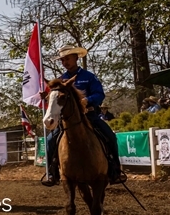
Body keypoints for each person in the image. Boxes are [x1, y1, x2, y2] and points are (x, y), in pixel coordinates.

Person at [43, 45, 125, 186]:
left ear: (76, 57)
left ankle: (115, 170)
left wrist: (88, 100)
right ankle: (52, 173)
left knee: (110, 136)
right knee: (50, 141)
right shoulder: (60, 80)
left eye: (67, 59)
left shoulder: (89, 77)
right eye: (62, 60)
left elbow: (100, 94)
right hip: (67, 120)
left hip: (90, 116)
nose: (65, 62)